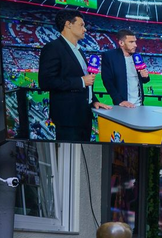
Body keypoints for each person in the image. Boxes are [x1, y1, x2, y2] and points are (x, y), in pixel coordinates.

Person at [38, 9, 109, 141]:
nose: (85, 29)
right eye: (81, 25)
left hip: (84, 115)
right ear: (68, 24)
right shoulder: (53, 48)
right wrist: (80, 81)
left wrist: (94, 101)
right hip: (68, 118)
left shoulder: (79, 50)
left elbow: (86, 81)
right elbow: (46, 82)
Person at [100, 29, 149, 108]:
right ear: (121, 43)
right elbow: (107, 81)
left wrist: (145, 76)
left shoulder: (137, 57)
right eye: (131, 42)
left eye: (135, 42)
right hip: (123, 105)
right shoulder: (109, 56)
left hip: (139, 105)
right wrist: (119, 101)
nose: (135, 45)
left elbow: (144, 80)